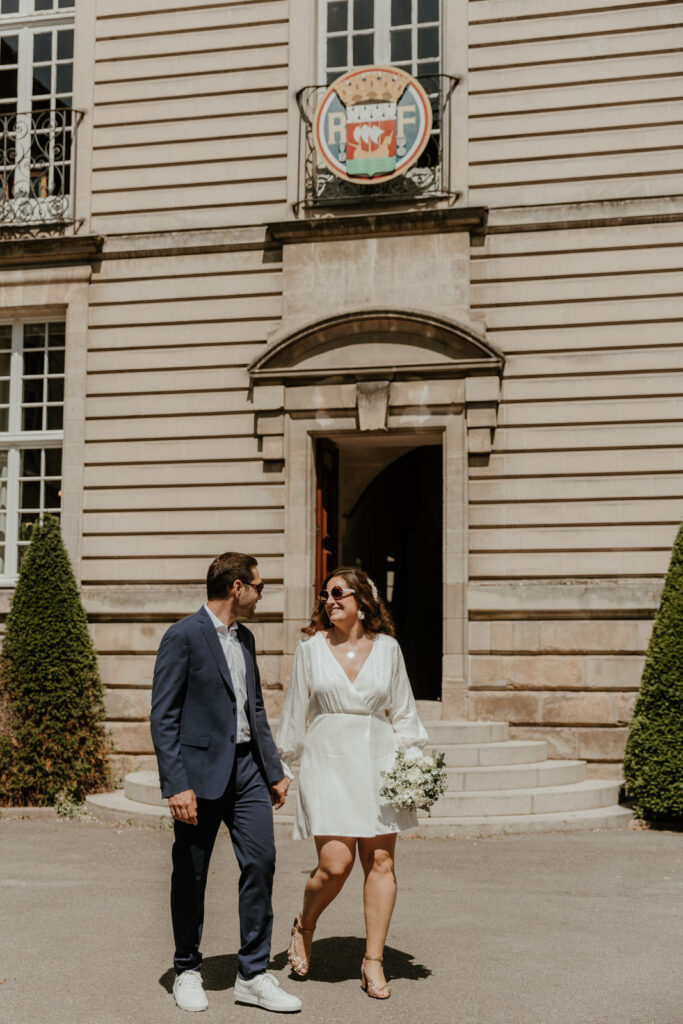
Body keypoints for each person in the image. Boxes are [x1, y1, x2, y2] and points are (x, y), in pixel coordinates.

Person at [150, 552, 302, 1014]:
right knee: (192, 874)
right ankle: (187, 969)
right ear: (237, 587)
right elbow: (164, 716)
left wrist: (274, 770)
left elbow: (254, 710)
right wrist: (176, 784)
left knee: (262, 861)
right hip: (197, 777)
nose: (261, 594)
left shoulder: (246, 638)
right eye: (258, 586)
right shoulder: (183, 636)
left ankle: (253, 974)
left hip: (248, 772)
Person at [276, 566, 429, 1000]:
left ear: (362, 601)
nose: (330, 600)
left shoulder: (388, 650)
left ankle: (373, 961)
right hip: (328, 761)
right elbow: (294, 714)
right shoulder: (310, 651)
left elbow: (403, 712)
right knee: (335, 865)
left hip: (379, 760)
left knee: (381, 862)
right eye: (325, 594)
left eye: (339, 593)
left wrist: (414, 765)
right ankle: (305, 924)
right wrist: (283, 768)